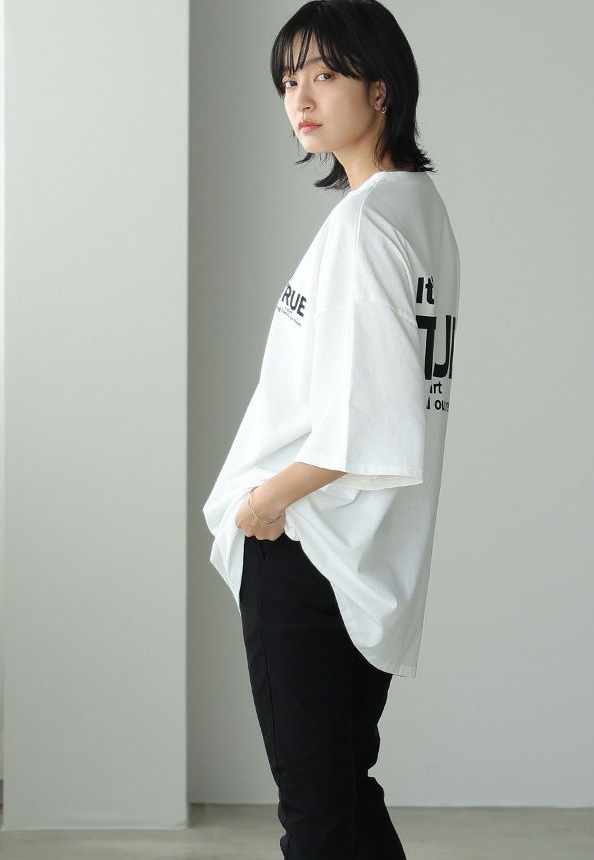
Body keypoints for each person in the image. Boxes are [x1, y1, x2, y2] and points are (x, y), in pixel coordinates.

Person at [202, 1, 460, 857]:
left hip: (309, 547)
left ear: (380, 89)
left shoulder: (364, 224)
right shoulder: (421, 212)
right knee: (344, 791)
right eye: (288, 80)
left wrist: (261, 505)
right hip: (368, 557)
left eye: (325, 74)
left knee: (316, 813)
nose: (301, 98)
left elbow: (368, 425)